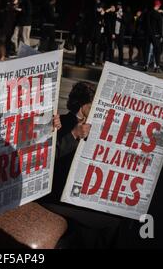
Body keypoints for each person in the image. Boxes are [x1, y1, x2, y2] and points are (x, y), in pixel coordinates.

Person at [39, 81, 123, 248]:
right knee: (111, 222)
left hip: (82, 195)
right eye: (95, 104)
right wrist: (73, 134)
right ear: (84, 105)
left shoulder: (96, 127)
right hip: (59, 197)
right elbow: (46, 159)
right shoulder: (58, 122)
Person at [145, 0, 163, 72]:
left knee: (148, 51)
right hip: (156, 36)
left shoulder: (149, 13)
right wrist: (161, 35)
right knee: (156, 51)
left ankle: (146, 65)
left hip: (149, 35)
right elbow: (160, 26)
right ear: (158, 6)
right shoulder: (158, 16)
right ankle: (157, 67)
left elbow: (147, 24)